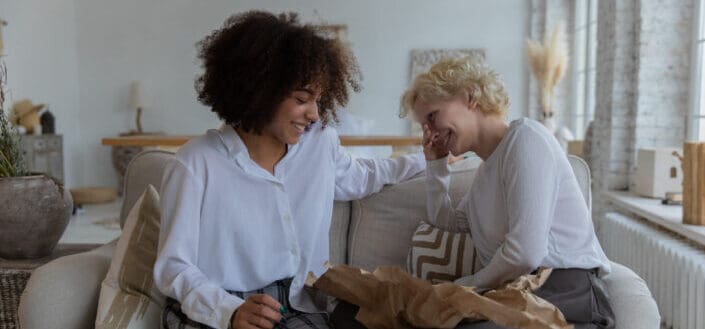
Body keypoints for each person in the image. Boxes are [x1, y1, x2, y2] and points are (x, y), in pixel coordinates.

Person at [153, 11, 425, 329]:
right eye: (301, 99)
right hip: (220, 309)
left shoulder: (320, 144)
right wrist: (230, 311)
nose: (313, 114)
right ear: (259, 89)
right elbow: (173, 266)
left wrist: (428, 159)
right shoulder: (195, 163)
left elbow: (362, 176)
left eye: (318, 101)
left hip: (299, 304)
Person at [399, 57, 615, 329]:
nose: (430, 133)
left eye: (432, 117)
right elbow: (449, 222)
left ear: (470, 96)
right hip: (520, 294)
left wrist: (461, 288)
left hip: (567, 295)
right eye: (424, 126)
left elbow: (525, 253)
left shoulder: (526, 139)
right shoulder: (486, 172)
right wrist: (435, 163)